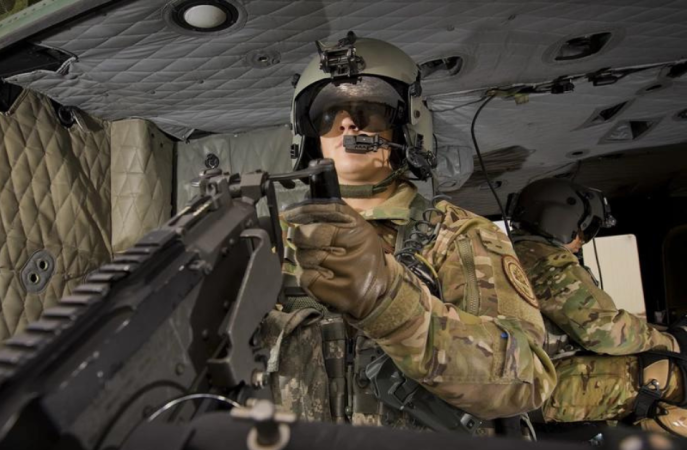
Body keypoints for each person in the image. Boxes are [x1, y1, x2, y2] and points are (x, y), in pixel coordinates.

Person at [260, 32, 557, 433]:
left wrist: (392, 305)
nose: (347, 122)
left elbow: (527, 379)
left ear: (407, 124)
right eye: (327, 113)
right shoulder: (272, 242)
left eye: (371, 109)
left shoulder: (459, 235)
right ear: (308, 133)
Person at [509, 178, 687, 436]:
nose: (584, 238)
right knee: (670, 377)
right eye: (586, 228)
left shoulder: (518, 254)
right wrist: (671, 343)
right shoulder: (543, 260)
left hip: (529, 380)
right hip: (534, 386)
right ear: (560, 221)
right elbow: (604, 332)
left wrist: (660, 334)